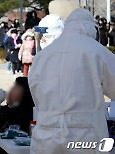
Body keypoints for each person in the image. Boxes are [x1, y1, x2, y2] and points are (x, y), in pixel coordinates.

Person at [29, 8, 115, 154]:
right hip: (86, 134)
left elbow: (36, 93)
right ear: (90, 27)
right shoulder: (97, 51)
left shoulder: (42, 56)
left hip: (46, 133)